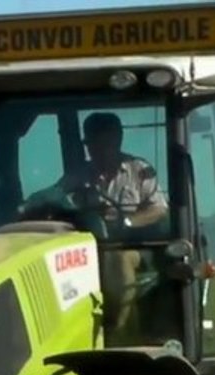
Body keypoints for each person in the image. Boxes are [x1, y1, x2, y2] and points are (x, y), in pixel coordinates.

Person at [59, 112, 169, 340]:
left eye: (104, 143)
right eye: (93, 145)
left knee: (118, 259)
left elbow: (159, 209)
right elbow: (56, 194)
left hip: (135, 246)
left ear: (117, 140)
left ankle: (118, 331)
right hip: (91, 246)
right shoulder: (80, 174)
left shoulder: (139, 170)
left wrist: (128, 222)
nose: (98, 150)